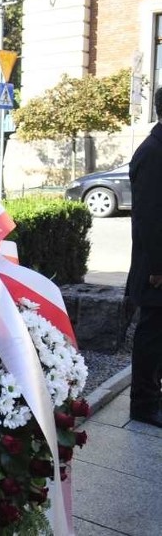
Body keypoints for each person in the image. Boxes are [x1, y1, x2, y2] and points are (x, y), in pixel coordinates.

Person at [125, 86, 162, 428]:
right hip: (156, 268)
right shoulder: (152, 152)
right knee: (151, 333)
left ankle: (154, 395)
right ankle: (143, 403)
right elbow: (149, 218)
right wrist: (156, 268)